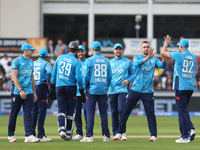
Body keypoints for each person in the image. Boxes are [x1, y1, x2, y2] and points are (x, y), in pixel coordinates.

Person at [115, 41, 167, 142]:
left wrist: (163, 56)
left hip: (148, 91)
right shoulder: (137, 58)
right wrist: (148, 57)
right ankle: (119, 132)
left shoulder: (154, 60)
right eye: (144, 47)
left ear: (150, 48)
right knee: (125, 112)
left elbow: (163, 66)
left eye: (147, 47)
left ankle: (153, 135)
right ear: (141, 49)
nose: (146, 49)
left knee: (150, 113)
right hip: (135, 90)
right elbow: (137, 63)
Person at [160, 35, 196, 143]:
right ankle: (188, 132)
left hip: (180, 86)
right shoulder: (193, 57)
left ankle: (187, 134)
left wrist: (166, 44)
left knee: (181, 111)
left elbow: (163, 52)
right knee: (184, 109)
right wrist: (182, 43)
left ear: (180, 47)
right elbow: (185, 52)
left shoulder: (178, 55)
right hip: (190, 87)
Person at [52, 41, 85, 141]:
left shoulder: (60, 58)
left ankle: (61, 129)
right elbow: (79, 79)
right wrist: (82, 91)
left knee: (61, 109)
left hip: (60, 87)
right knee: (70, 111)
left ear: (68, 48)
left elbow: (54, 74)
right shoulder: (77, 61)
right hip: (71, 88)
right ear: (76, 51)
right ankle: (69, 134)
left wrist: (52, 88)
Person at [80, 41, 112, 142]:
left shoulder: (89, 60)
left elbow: (85, 76)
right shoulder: (107, 60)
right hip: (103, 89)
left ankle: (89, 136)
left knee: (90, 113)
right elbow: (110, 76)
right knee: (103, 113)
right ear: (100, 49)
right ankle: (106, 136)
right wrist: (106, 86)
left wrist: (85, 87)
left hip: (92, 90)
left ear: (92, 49)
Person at [8, 43, 40, 143]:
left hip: (29, 91)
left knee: (28, 114)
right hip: (17, 92)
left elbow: (32, 78)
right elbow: (14, 77)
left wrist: (34, 93)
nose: (33, 52)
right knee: (14, 113)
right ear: (26, 50)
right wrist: (21, 90)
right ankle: (11, 135)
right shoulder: (16, 61)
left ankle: (29, 135)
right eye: (31, 50)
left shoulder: (31, 62)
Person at [108, 43, 135, 141]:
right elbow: (107, 76)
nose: (118, 51)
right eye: (116, 49)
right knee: (114, 112)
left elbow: (133, 74)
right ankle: (116, 133)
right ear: (113, 50)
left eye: (120, 49)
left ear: (122, 50)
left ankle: (123, 132)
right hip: (111, 91)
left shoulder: (128, 61)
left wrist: (128, 80)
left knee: (121, 110)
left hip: (123, 90)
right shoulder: (109, 62)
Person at [31, 48, 52, 142]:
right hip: (41, 87)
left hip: (33, 87)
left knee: (34, 111)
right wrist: (47, 81)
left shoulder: (33, 63)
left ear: (38, 55)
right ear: (46, 56)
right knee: (41, 112)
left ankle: (31, 133)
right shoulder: (46, 63)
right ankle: (40, 135)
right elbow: (49, 72)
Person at [73, 45, 87, 140]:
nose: (80, 53)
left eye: (82, 51)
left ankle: (89, 132)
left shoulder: (88, 62)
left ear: (85, 52)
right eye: (79, 52)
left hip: (86, 92)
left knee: (87, 113)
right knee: (77, 113)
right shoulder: (74, 62)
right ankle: (79, 133)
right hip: (76, 92)